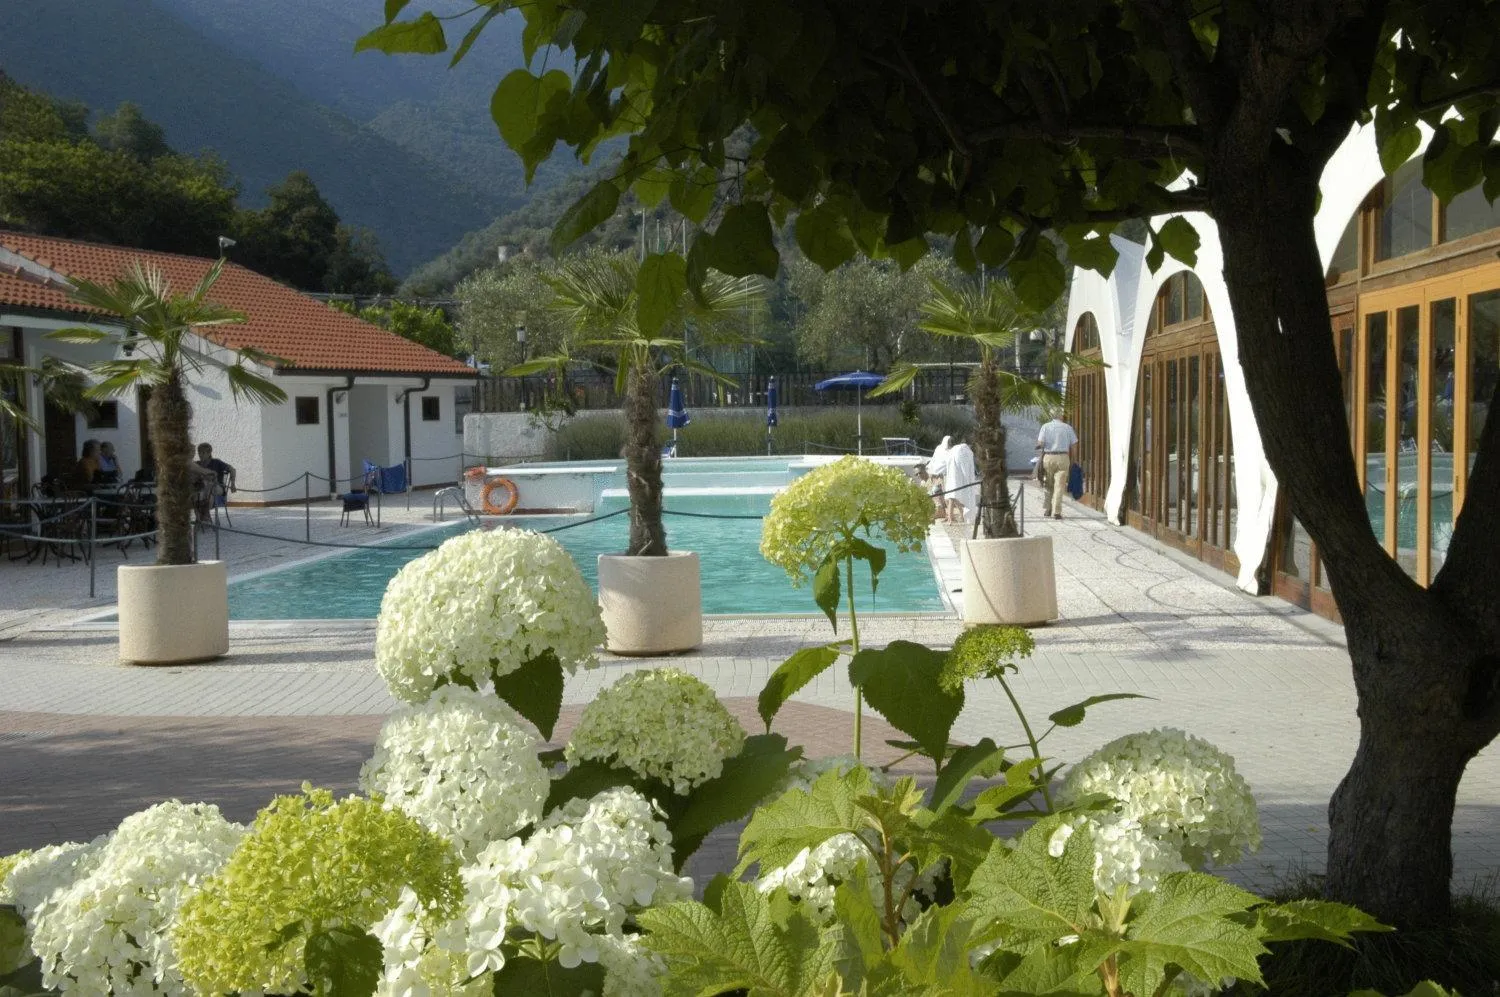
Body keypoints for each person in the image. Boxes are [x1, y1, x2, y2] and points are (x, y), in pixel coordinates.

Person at [1036, 411, 1078, 519]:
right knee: (1060, 485)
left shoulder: (1045, 427)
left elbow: (1040, 443)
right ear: (1061, 416)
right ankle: (1057, 512)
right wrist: (1074, 459)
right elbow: (1074, 445)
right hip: (1063, 457)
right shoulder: (1068, 428)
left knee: (1048, 484)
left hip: (1049, 457)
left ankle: (1047, 509)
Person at [945, 440, 979, 524]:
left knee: (952, 498)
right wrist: (968, 479)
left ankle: (953, 518)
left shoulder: (954, 450)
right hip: (959, 478)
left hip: (952, 477)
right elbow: (966, 468)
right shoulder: (965, 450)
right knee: (956, 498)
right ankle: (955, 517)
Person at [926, 435, 952, 520]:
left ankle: (949, 515)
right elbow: (934, 459)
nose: (949, 443)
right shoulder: (939, 449)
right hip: (936, 475)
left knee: (947, 495)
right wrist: (930, 469)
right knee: (936, 493)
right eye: (949, 441)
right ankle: (943, 513)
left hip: (945, 475)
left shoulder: (951, 451)